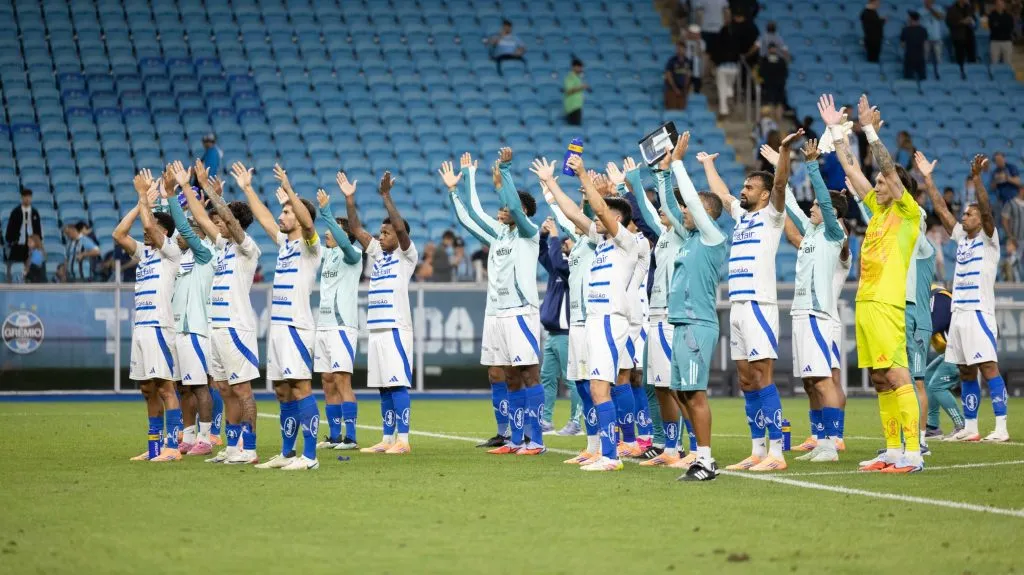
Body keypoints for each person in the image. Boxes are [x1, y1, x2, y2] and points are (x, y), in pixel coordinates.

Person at [823, 93, 924, 473]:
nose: (876, 185)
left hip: (886, 304)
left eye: (882, 182)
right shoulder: (878, 213)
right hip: (866, 302)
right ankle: (893, 450)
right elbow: (851, 169)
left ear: (898, 188)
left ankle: (912, 452)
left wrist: (868, 130)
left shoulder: (908, 213)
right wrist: (836, 131)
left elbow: (888, 172)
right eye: (877, 182)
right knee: (881, 379)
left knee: (897, 374)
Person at [533, 153, 636, 472]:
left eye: (606, 215)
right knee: (594, 387)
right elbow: (572, 213)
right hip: (593, 320)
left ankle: (611, 455)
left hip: (609, 320)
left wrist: (583, 177)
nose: (598, 219)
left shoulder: (626, 243)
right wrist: (550, 183)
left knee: (600, 387)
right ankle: (604, 451)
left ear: (618, 220)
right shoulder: (600, 242)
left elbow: (600, 210)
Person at [705, 137, 789, 473]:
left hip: (759, 304)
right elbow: (723, 195)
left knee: (762, 376)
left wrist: (783, 153)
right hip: (737, 304)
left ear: (765, 194)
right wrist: (708, 164)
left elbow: (780, 180)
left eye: (750, 186)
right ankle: (756, 450)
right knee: (745, 380)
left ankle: (777, 452)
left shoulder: (772, 215)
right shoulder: (741, 216)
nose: (744, 190)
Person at [237, 164, 322, 471]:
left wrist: (288, 186)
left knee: (301, 387)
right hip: (278, 329)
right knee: (282, 390)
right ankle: (287, 453)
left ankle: (309, 457)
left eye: (287, 212)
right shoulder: (285, 244)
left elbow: (309, 224)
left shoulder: (311, 247)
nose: (282, 217)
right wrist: (247, 188)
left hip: (297, 328)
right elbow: (262, 218)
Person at [919, 152, 1008, 442]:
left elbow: (985, 208)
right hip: (958, 314)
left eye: (968, 214)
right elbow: (942, 210)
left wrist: (977, 179)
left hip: (979, 313)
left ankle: (1002, 427)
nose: (963, 217)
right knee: (966, 371)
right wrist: (928, 179)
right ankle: (970, 427)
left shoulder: (989, 239)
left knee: (988, 367)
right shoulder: (961, 237)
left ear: (981, 221)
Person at [770, 137, 849, 463]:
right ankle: (821, 440)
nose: (812, 207)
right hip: (802, 313)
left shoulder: (834, 234)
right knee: (811, 380)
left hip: (819, 314)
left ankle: (832, 442)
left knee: (824, 378)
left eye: (816, 205)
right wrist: (781, 164)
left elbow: (827, 206)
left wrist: (813, 166)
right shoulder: (813, 233)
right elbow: (787, 201)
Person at [461, 149, 545, 455]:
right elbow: (471, 214)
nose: (501, 209)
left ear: (520, 210)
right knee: (509, 376)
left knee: (528, 374)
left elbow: (514, 207)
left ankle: (536, 440)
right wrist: (459, 187)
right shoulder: (501, 235)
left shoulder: (529, 233)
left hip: (521, 312)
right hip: (499, 314)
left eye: (507, 206)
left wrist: (505, 173)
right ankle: (514, 438)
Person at [187, 160, 261, 465]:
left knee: (242, 389)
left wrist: (207, 188)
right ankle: (232, 448)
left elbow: (224, 219)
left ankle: (251, 448)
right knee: (224, 388)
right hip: (217, 328)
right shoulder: (223, 247)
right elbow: (201, 219)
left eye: (224, 220)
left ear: (235, 224)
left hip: (236, 328)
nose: (218, 223)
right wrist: (188, 188)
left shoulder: (247, 248)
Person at [666, 135, 728, 481]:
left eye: (690, 209)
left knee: (695, 392)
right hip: (681, 323)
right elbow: (668, 205)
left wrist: (678, 163)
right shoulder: (690, 239)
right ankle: (698, 453)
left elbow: (689, 197)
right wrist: (663, 175)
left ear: (705, 213)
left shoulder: (711, 237)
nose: (684, 211)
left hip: (697, 323)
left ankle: (705, 459)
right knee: (681, 391)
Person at [530, 160, 600, 464]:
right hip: (565, 330)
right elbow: (550, 257)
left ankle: (599, 438)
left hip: (586, 324)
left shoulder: (590, 247)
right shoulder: (570, 258)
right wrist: (548, 235)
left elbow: (573, 216)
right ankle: (592, 444)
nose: (568, 240)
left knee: (589, 383)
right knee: (575, 382)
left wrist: (558, 230)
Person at [344, 170, 417, 455]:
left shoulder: (407, 255)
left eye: (385, 232)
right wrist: (350, 199)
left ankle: (405, 440)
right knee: (383, 388)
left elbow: (399, 228)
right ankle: (387, 439)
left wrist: (386, 196)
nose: (380, 235)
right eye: (381, 232)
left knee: (397, 384)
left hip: (396, 329)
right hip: (375, 329)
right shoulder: (376, 253)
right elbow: (355, 228)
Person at [625, 155, 692, 468]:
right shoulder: (664, 237)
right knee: (656, 385)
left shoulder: (682, 233)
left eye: (666, 207)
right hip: (656, 316)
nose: (660, 211)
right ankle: (669, 445)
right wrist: (633, 183)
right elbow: (646, 211)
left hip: (670, 316)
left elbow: (656, 206)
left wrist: (656, 176)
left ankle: (690, 447)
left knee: (673, 384)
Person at [114, 169, 183, 463]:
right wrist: (139, 203)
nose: (147, 229)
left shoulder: (171, 252)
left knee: (166, 386)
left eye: (153, 225)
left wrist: (145, 198)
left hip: (158, 327)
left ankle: (173, 448)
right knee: (147, 388)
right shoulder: (145, 253)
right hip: (141, 327)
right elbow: (119, 234)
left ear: (164, 232)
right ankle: (154, 447)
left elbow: (151, 227)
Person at [442, 157, 510, 447]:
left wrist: (470, 175)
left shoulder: (524, 235)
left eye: (504, 212)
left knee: (519, 375)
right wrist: (454, 192)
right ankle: (504, 431)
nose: (498, 216)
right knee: (495, 372)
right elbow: (468, 219)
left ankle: (528, 431)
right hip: (493, 312)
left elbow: (479, 212)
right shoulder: (496, 239)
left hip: (516, 311)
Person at [164, 164, 217, 457]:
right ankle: (188, 436)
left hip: (196, 330)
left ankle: (206, 438)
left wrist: (175, 193)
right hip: (179, 330)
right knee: (182, 386)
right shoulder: (182, 257)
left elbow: (183, 227)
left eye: (186, 233)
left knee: (199, 387)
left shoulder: (205, 254)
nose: (179, 236)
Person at [313, 177, 364, 451]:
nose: (327, 233)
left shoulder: (353, 255)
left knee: (343, 379)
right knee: (327, 380)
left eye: (332, 230)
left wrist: (328, 212)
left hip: (342, 328)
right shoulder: (327, 255)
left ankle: (351, 437)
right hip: (323, 326)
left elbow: (344, 241)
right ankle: (333, 436)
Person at [607, 164, 653, 459]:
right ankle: (634, 438)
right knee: (625, 376)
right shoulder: (616, 242)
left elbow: (638, 218)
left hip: (639, 317)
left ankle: (646, 436)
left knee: (638, 377)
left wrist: (625, 191)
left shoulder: (642, 241)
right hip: (623, 314)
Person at [536, 217, 579, 436]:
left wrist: (554, 234)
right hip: (553, 333)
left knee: (571, 379)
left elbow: (558, 261)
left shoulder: (573, 268)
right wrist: (543, 235)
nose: (564, 244)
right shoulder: (559, 267)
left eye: (568, 241)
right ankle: (545, 420)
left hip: (567, 332)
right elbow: (542, 254)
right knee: (548, 378)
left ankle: (576, 421)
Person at [924, 285, 965, 437]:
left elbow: (935, 324)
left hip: (956, 351)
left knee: (937, 386)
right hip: (949, 352)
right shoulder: (934, 296)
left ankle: (961, 424)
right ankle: (932, 426)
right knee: (927, 376)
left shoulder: (938, 296)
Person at [5, 188, 41, 281]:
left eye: (29, 197)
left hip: (31, 247)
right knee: (13, 268)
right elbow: (10, 229)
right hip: (18, 245)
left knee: (31, 270)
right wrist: (13, 240)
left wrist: (37, 243)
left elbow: (38, 230)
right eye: (25, 197)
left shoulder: (35, 212)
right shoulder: (15, 212)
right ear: (22, 198)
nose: (27, 199)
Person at [946, 0, 977, 76]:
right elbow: (949, 22)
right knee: (960, 57)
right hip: (959, 37)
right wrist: (961, 22)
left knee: (972, 56)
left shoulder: (969, 7)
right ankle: (960, 73)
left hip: (969, 35)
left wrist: (972, 21)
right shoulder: (952, 9)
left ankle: (972, 74)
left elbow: (974, 18)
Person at [1001, 184, 1024, 279]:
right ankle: (1010, 283)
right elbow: (1004, 220)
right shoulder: (1010, 204)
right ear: (1021, 190)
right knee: (1013, 263)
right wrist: (1010, 236)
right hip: (1015, 239)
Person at [759, 43, 788, 117]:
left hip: (779, 85)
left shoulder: (781, 60)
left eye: (774, 48)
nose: (773, 50)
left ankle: (779, 119)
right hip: (769, 85)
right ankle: (771, 118)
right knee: (770, 103)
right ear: (768, 49)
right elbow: (761, 72)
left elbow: (785, 72)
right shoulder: (764, 60)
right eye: (771, 48)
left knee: (779, 103)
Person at [901, 11, 929, 80]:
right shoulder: (923, 30)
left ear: (910, 19)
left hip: (909, 57)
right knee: (923, 79)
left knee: (908, 80)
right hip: (920, 57)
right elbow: (926, 45)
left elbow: (902, 45)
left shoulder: (905, 30)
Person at [664, 42, 692, 110]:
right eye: (678, 48)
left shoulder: (687, 61)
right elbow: (668, 75)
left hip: (683, 90)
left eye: (681, 48)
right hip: (672, 90)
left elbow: (688, 75)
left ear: (685, 49)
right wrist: (675, 88)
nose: (679, 50)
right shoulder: (672, 60)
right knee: (672, 110)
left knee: (681, 111)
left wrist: (685, 88)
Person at [922, 0, 945, 76]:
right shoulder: (920, 10)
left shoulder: (938, 8)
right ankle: (926, 75)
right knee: (925, 58)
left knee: (938, 59)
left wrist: (931, 9)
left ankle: (940, 75)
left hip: (936, 38)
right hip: (925, 39)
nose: (927, 2)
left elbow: (941, 17)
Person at [988, 0, 1015, 65]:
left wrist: (998, 25)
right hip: (995, 41)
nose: (999, 6)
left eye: (1001, 4)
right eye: (998, 4)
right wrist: (1001, 26)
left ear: (1004, 6)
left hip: (1007, 41)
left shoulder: (1009, 16)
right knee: (994, 62)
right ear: (995, 6)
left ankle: (1007, 75)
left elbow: (1010, 28)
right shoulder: (991, 16)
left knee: (1007, 62)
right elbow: (992, 27)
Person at [563, 59, 587, 126]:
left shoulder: (577, 78)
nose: (581, 69)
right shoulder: (570, 77)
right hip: (572, 107)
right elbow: (568, 91)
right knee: (574, 129)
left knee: (577, 129)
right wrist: (581, 87)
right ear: (574, 67)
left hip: (577, 106)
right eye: (579, 67)